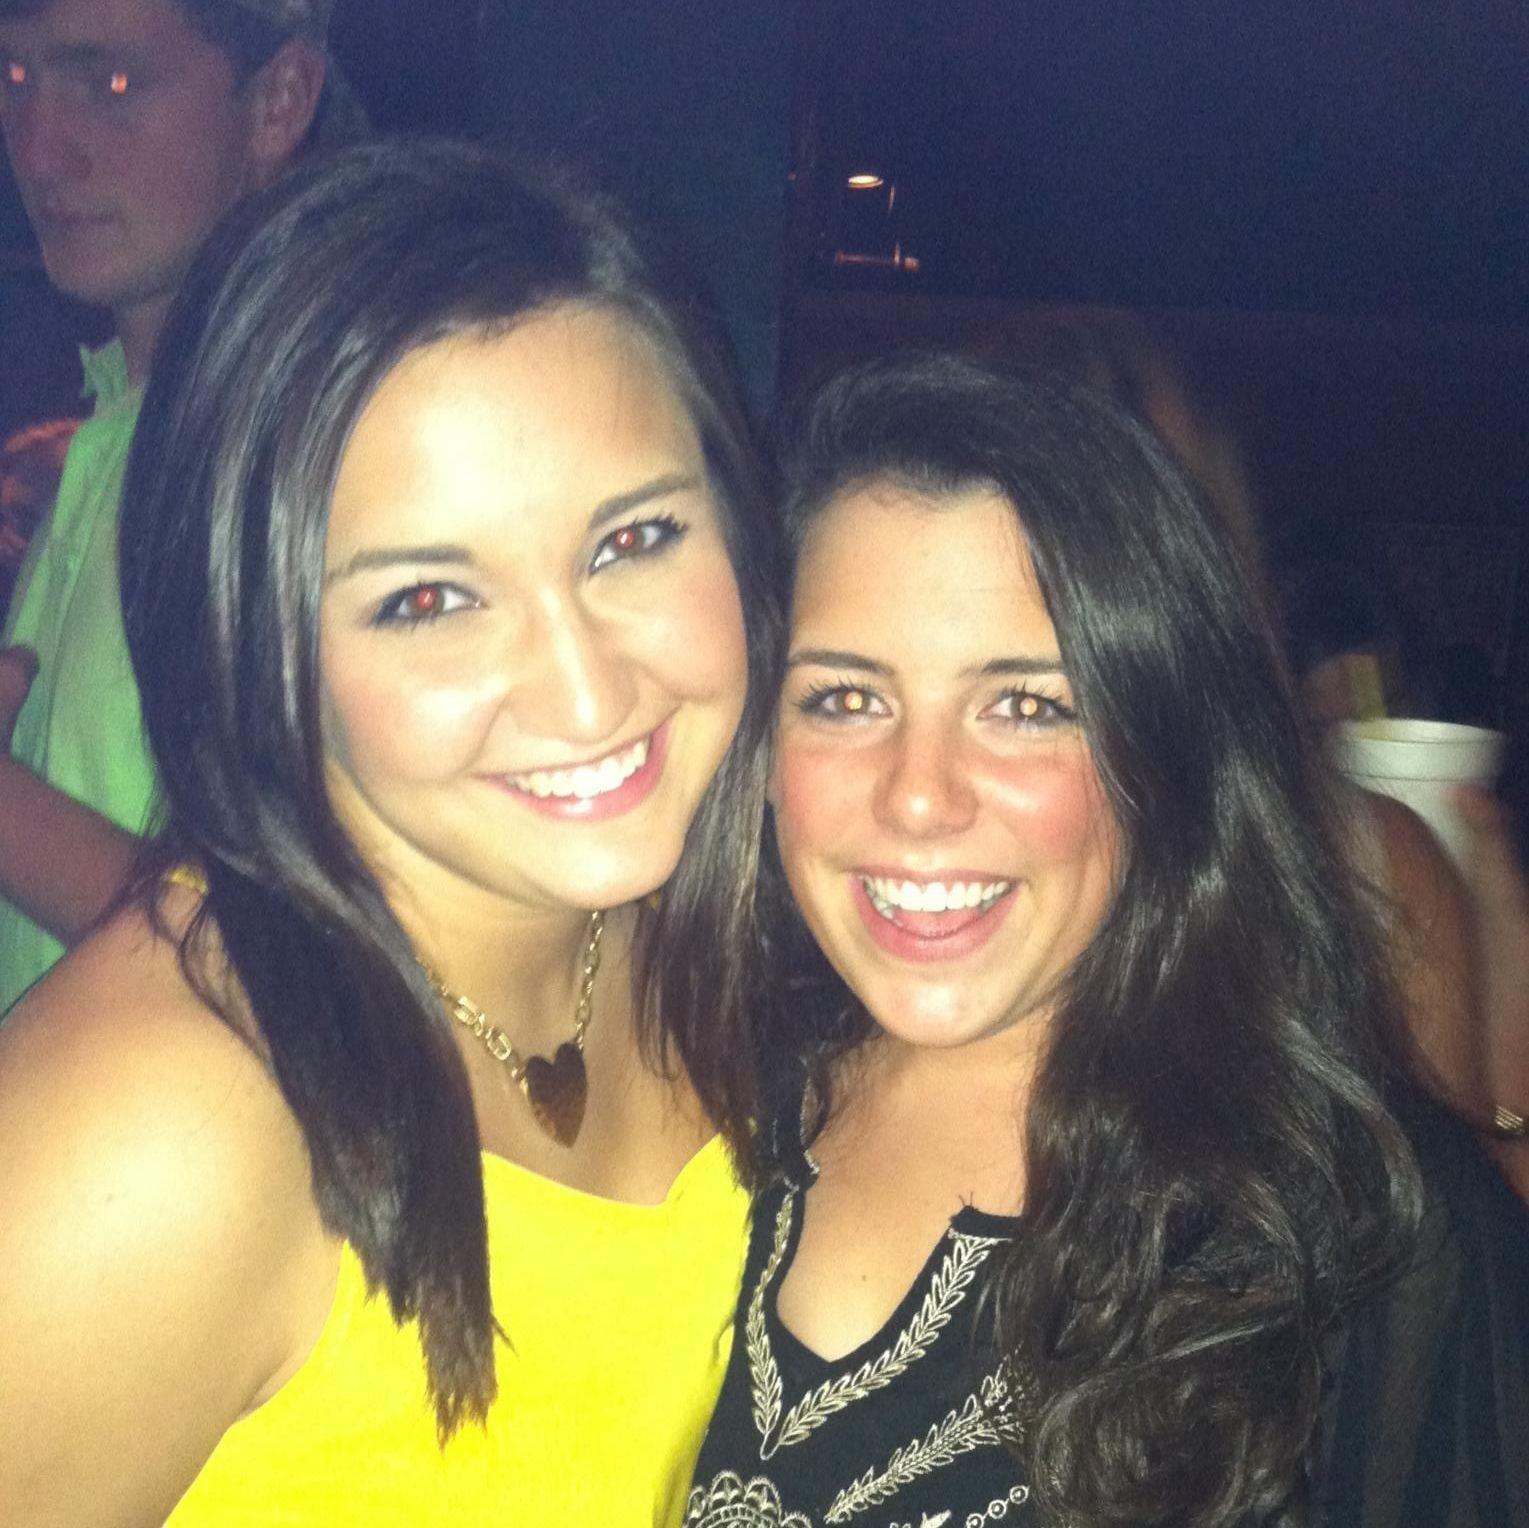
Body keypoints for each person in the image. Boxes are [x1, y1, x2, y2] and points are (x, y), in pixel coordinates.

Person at [0, 138, 782, 1524]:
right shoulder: (161, 1132)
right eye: (428, 601)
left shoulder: (685, 925)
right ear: (257, 642)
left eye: (632, 541)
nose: (588, 694)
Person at [686, 354, 1420, 1527]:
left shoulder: (1349, 1240)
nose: (917, 796)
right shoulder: (682, 1108)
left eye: (1025, 706)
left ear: (1160, 753)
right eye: (844, 697)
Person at [0, 0, 342, 1012]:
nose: (38, 152)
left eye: (109, 85)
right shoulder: (122, 424)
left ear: (277, 101)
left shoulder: (294, 450)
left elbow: (276, 971)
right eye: (15, 80)